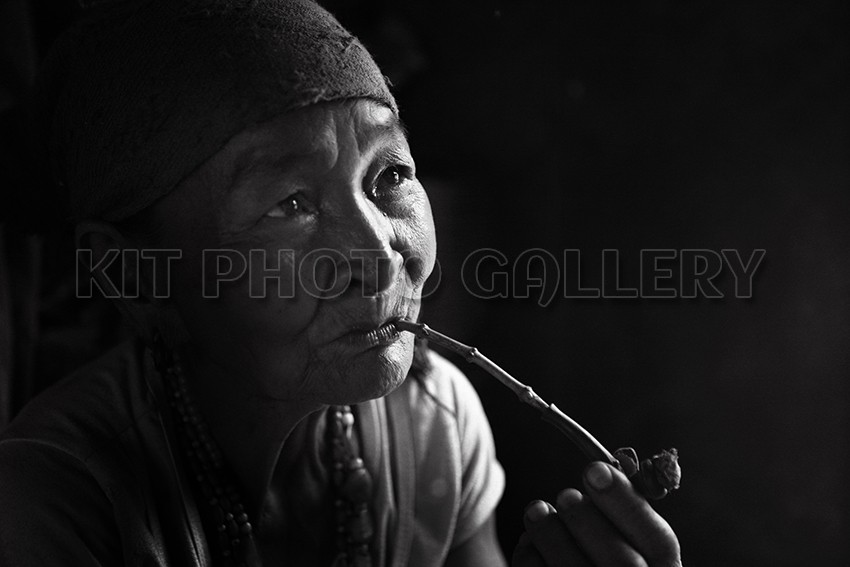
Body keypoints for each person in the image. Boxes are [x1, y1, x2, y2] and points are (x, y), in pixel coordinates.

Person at [0, 1, 682, 565]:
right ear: (133, 273)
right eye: (291, 204)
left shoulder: (435, 422)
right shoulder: (56, 501)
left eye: (390, 175)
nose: (380, 258)